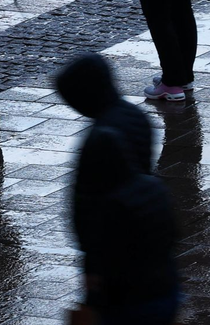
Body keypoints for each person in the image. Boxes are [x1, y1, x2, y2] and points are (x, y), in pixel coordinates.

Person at [56, 54, 179, 324]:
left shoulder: (110, 198)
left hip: (125, 294)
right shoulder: (152, 191)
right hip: (162, 285)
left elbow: (91, 219)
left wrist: (93, 275)